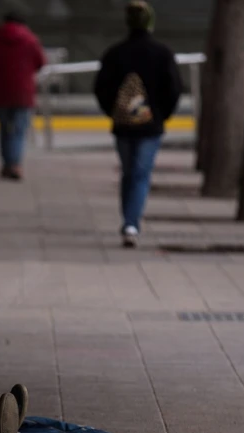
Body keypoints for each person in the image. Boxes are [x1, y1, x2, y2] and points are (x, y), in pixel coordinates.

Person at [94, 1, 182, 248]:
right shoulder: (162, 53)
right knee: (140, 174)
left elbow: (101, 88)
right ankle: (131, 223)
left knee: (129, 172)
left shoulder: (115, 53)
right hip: (150, 126)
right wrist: (162, 115)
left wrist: (113, 112)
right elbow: (173, 88)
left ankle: (129, 220)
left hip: (123, 125)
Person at [0, 12, 46, 181]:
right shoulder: (31, 40)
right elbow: (41, 62)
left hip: (1, 91)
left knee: (4, 130)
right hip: (24, 93)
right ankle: (15, 165)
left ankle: (6, 163)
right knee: (19, 130)